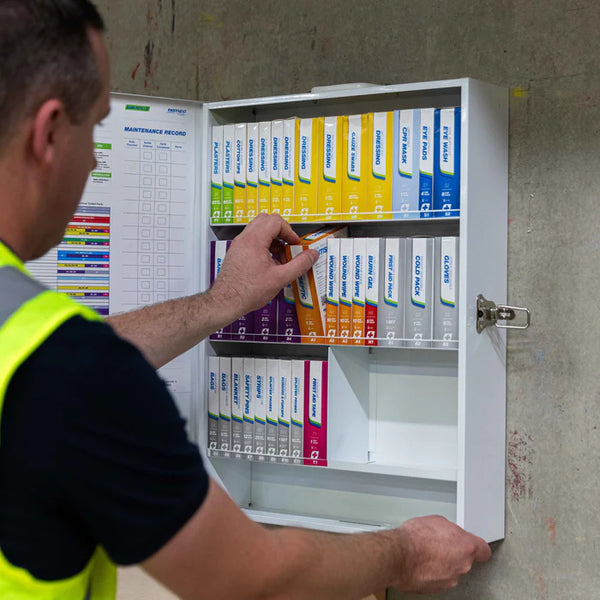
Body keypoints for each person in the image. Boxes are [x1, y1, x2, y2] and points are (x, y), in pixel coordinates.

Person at [0, 1, 491, 599]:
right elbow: (252, 580)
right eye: (96, 127)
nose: (96, 158)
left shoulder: (49, 356)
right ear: (50, 133)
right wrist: (407, 553)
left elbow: (58, 357)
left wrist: (223, 301)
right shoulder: (72, 370)